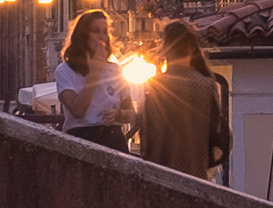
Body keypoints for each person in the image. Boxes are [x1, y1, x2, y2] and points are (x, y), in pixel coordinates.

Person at [134, 21, 232, 180]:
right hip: (196, 174)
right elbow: (216, 131)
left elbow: (149, 134)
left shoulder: (157, 85)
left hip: (162, 174)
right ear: (191, 49)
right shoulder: (206, 85)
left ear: (165, 50)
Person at [51, 11, 134, 153]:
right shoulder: (65, 70)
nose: (102, 37)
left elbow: (131, 113)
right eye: (96, 31)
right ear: (83, 36)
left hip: (113, 137)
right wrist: (94, 73)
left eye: (105, 32)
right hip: (83, 136)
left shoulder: (115, 70)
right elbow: (77, 110)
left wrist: (118, 114)